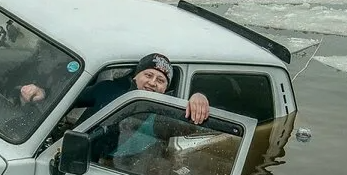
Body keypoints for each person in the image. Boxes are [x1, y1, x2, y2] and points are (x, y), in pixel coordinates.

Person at [20, 52, 210, 124]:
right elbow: (68, 98)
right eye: (149, 75)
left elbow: (191, 122)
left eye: (161, 80)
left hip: (122, 171)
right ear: (136, 76)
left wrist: (199, 96)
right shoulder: (108, 89)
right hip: (78, 157)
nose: (153, 82)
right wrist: (43, 92)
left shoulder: (167, 111)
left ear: (166, 88)